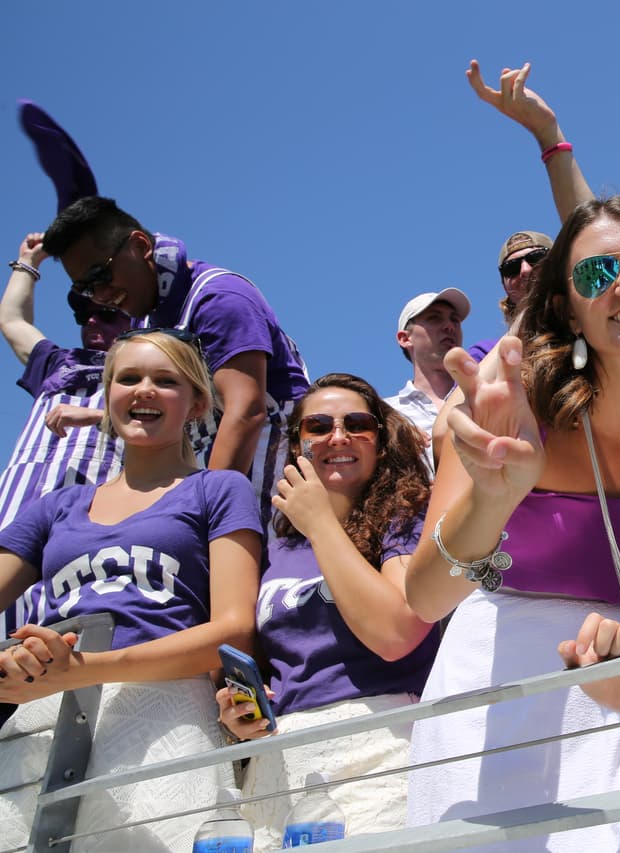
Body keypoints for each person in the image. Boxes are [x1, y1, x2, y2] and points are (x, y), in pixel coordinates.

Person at [403, 196, 620, 851]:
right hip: (492, 690)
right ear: (566, 307)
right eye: (595, 275)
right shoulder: (503, 408)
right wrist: (496, 498)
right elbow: (425, 596)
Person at [0, 329, 261, 852]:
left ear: (197, 405)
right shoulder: (57, 507)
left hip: (162, 716)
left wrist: (91, 669)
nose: (144, 390)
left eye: (166, 381)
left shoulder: (217, 489)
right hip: (44, 715)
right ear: (107, 394)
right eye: (129, 378)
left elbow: (233, 631)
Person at [216, 373, 438, 849]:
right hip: (281, 765)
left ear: (380, 441)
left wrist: (320, 521)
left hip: (381, 746)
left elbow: (396, 632)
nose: (338, 436)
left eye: (357, 423)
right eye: (318, 426)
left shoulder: (407, 519)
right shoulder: (277, 550)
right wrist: (241, 716)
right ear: (298, 445)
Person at [39, 196, 310, 524]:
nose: (100, 296)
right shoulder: (148, 315)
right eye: (85, 289)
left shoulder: (217, 299)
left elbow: (246, 411)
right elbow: (191, 406)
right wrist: (103, 416)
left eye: (101, 275)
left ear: (140, 246)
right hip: (219, 476)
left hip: (274, 478)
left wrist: (198, 514)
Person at [0, 234, 130, 641]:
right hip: (14, 515)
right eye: (84, 314)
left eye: (106, 314)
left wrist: (97, 415)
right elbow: (12, 321)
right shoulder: (59, 364)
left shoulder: (154, 378)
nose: (92, 321)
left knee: (56, 642)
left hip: (84, 533)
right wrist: (28, 262)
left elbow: (190, 423)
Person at [384, 290, 470, 475]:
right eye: (434, 318)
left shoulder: (484, 399)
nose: (449, 326)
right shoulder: (385, 413)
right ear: (405, 338)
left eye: (455, 320)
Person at [467, 230, 555, 363]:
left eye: (536, 258)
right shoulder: (485, 352)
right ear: (505, 286)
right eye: (511, 268)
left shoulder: (589, 322)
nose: (525, 270)